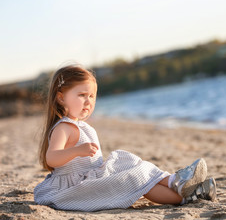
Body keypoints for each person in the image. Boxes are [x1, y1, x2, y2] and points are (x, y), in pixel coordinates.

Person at [34, 65, 216, 211]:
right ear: (61, 98)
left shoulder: (81, 126)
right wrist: (77, 151)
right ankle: (186, 196)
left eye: (92, 96)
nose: (88, 101)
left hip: (91, 178)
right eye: (82, 95)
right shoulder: (64, 128)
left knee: (128, 161)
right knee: (136, 180)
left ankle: (175, 181)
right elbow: (52, 158)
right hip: (75, 188)